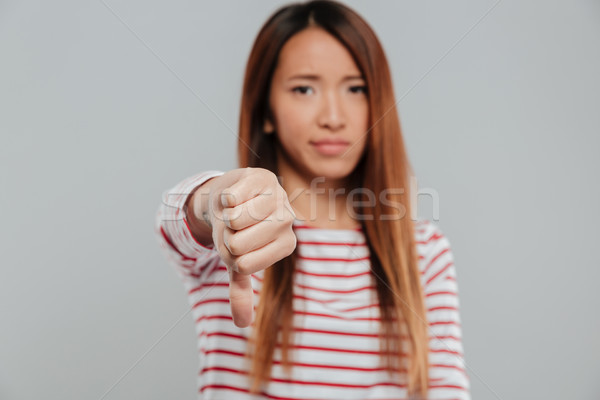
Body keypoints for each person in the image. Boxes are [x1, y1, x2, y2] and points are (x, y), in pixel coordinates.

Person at [155, 1, 470, 399]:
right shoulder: (236, 234)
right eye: (304, 88)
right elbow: (174, 218)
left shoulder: (424, 252)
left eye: (356, 89)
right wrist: (216, 200)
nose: (334, 116)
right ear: (265, 108)